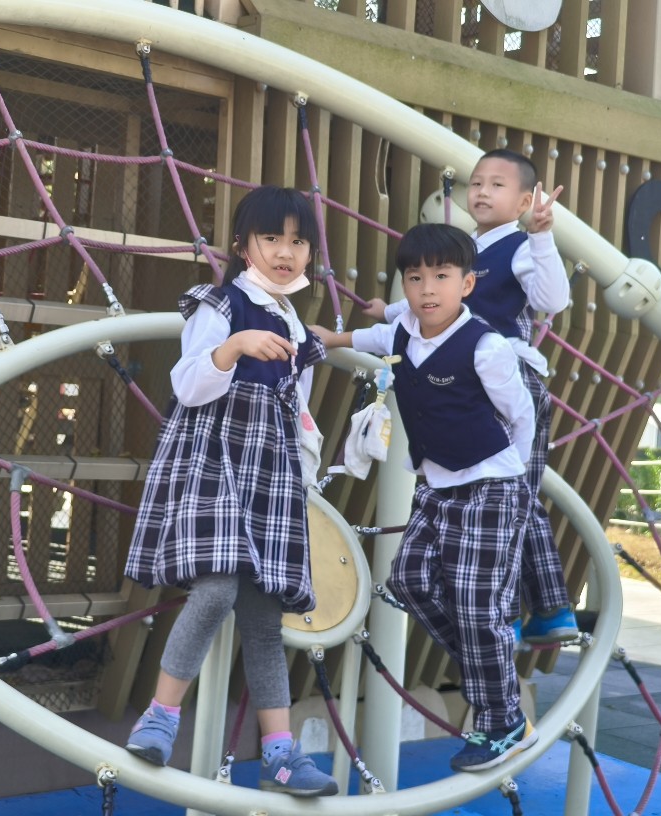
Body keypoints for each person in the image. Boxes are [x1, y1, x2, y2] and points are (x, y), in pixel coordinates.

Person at [123, 186, 338, 797]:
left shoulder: (291, 321)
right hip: (215, 460)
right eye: (271, 238)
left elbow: (300, 396)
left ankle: (280, 751)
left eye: (298, 242)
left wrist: (386, 338)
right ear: (243, 245)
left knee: (265, 616)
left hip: (271, 470)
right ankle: (160, 716)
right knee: (216, 589)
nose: (285, 253)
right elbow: (188, 385)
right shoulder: (221, 306)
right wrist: (234, 346)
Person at [312, 222, 539, 772]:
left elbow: (522, 416)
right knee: (409, 581)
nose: (428, 289)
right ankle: (490, 665)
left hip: (489, 485)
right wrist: (327, 339)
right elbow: (367, 338)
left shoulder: (485, 346)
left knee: (476, 603)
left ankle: (504, 721)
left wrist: (514, 480)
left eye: (441, 276)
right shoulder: (402, 332)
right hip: (437, 486)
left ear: (467, 284)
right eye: (415, 278)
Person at [364, 149, 578, 645]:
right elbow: (441, 303)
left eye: (497, 185)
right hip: (471, 380)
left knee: (511, 493)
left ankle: (534, 608)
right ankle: (528, 611)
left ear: (524, 202)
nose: (482, 191)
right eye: (477, 182)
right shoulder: (467, 250)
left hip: (505, 377)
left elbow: (552, 300)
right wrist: (388, 312)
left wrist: (542, 236)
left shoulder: (519, 246)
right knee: (500, 493)